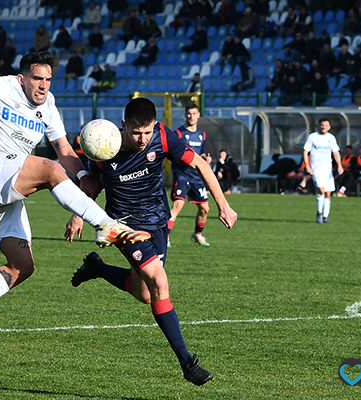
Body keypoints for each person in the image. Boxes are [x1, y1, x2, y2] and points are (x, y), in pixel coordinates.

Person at [0, 51, 151, 359]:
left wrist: (85, 175)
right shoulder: (4, 87)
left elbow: (63, 148)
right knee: (48, 170)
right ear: (22, 79)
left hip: (5, 188)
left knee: (23, 266)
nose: (43, 85)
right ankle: (107, 226)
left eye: (48, 79)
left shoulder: (48, 106)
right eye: (37, 78)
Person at [64, 97, 237, 386]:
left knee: (144, 294)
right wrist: (77, 215)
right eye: (136, 133)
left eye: (147, 132)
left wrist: (223, 205)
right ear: (123, 126)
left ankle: (97, 268)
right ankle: (187, 362)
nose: (143, 139)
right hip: (124, 227)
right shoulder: (105, 146)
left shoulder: (165, 137)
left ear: (154, 126)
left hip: (157, 222)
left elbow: (202, 167)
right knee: (159, 282)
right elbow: (89, 183)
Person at [168, 103, 212, 247]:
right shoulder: (178, 134)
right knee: (178, 205)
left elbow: (203, 152)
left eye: (194, 113)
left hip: (196, 176)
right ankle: (165, 238)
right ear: (185, 115)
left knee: (205, 208)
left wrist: (206, 158)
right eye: (188, 113)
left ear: (198, 114)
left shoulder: (202, 134)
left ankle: (197, 234)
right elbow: (171, 154)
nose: (191, 116)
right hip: (182, 174)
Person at [302, 118, 343, 224]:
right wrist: (307, 166)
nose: (323, 127)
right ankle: (319, 213)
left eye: (326, 125)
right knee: (321, 190)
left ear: (329, 127)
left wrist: (339, 165)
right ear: (319, 126)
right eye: (322, 125)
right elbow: (305, 152)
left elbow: (336, 152)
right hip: (316, 168)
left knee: (328, 193)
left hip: (328, 169)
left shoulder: (331, 138)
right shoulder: (312, 137)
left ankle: (325, 216)